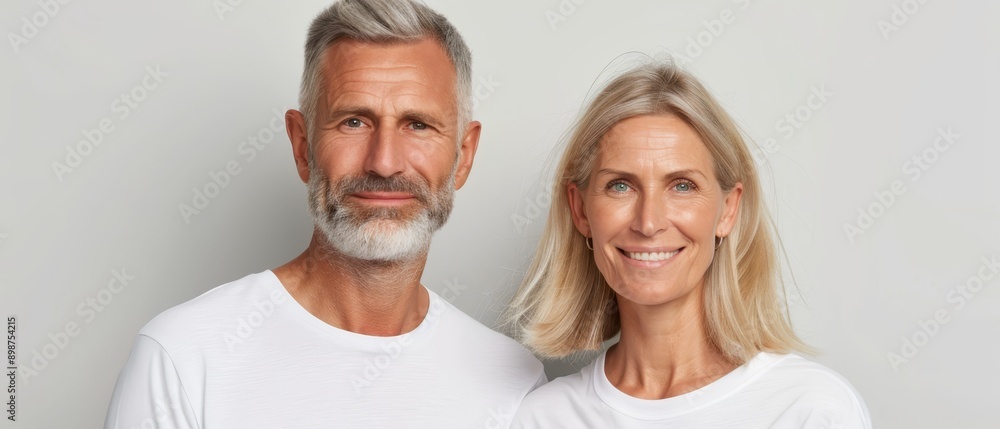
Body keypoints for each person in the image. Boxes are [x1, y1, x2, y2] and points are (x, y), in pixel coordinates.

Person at [103, 1, 545, 427]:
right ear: (302, 146)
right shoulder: (182, 357)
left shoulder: (516, 388)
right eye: (354, 121)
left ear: (463, 155)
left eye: (418, 124)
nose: (384, 162)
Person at [506, 60, 871, 428]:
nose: (648, 223)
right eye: (620, 185)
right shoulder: (541, 418)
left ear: (728, 210)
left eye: (682, 185)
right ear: (580, 210)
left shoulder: (810, 409)